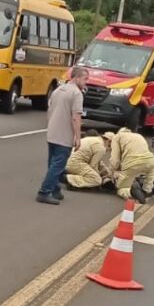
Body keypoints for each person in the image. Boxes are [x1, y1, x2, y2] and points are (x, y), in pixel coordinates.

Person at [37, 67, 89, 205]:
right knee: (58, 165)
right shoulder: (77, 94)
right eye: (85, 79)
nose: (86, 83)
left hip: (52, 132)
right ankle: (44, 191)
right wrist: (78, 137)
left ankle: (55, 189)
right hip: (64, 135)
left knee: (52, 163)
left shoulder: (58, 90)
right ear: (76, 78)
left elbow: (50, 110)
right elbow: (76, 117)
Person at [109, 128, 154, 203]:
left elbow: (115, 160)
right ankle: (147, 191)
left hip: (132, 163)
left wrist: (113, 172)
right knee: (150, 174)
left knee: (121, 188)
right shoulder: (139, 136)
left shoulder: (117, 137)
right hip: (150, 161)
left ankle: (131, 192)